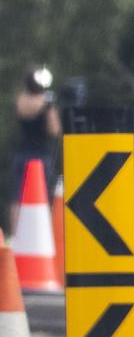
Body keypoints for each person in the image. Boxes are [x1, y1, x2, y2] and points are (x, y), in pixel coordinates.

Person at [10, 65, 60, 232]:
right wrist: (50, 106)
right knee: (42, 194)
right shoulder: (45, 102)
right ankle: (41, 232)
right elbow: (54, 130)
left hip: (21, 153)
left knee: (18, 196)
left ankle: (17, 233)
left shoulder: (20, 100)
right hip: (40, 155)